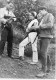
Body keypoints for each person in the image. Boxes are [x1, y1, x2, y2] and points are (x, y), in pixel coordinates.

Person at [36, 6, 54, 77]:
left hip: (47, 36)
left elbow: (50, 25)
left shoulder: (50, 15)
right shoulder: (43, 17)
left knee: (43, 53)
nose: (40, 13)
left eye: (40, 11)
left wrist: (40, 26)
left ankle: (43, 71)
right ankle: (49, 68)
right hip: (42, 36)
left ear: (44, 10)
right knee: (44, 52)